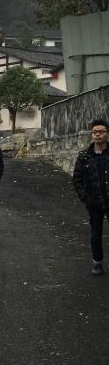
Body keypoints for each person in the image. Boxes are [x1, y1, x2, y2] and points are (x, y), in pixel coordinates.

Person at [72, 118, 109, 276]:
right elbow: (77, 179)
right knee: (95, 235)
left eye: (101, 132)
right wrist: (85, 198)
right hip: (94, 203)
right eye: (94, 132)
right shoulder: (84, 156)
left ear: (107, 134)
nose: (97, 134)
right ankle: (97, 263)